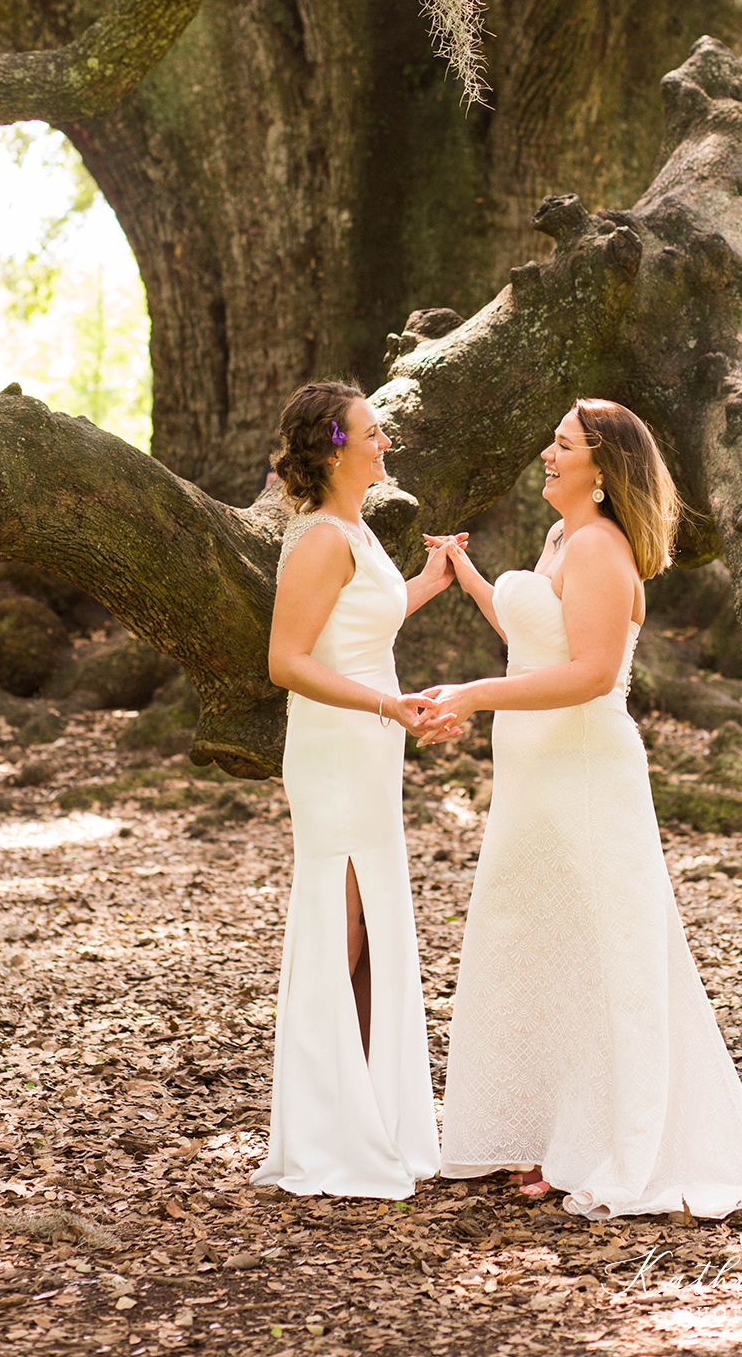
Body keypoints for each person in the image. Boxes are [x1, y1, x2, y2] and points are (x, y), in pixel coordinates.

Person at [422, 398, 742, 1220]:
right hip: (535, 774)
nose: (547, 453)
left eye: (563, 445)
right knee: (546, 943)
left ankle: (608, 1142)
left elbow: (592, 673)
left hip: (584, 771)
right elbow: (540, 639)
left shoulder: (600, 547)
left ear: (601, 468)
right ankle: (557, 1128)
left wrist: (475, 693)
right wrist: (469, 578)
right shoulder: (563, 537)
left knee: (602, 951)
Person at [252, 379, 458, 1199]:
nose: (385, 443)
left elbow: (364, 626)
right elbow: (288, 661)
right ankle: (324, 1126)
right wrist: (384, 706)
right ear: (334, 450)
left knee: (369, 919)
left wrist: (432, 580)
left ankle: (369, 1109)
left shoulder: (357, 530)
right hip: (337, 747)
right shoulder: (317, 540)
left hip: (373, 745)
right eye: (373, 433)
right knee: (339, 922)